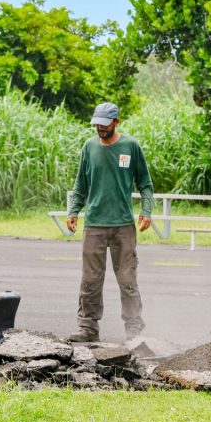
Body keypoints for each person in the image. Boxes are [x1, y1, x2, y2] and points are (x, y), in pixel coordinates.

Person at [65, 102, 153, 343]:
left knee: (127, 279)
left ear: (116, 122)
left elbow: (145, 183)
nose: (99, 129)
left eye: (104, 124)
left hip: (123, 225)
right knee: (90, 279)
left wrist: (146, 211)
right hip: (94, 224)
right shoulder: (89, 146)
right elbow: (81, 184)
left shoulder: (130, 146)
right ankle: (88, 328)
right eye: (96, 124)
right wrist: (73, 211)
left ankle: (134, 329)